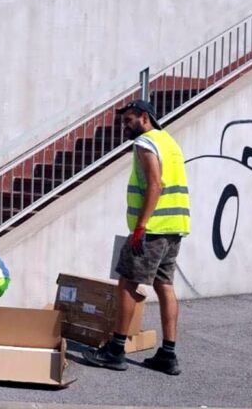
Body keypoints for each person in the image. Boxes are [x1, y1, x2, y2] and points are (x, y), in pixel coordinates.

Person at [82, 99, 190, 375]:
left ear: (145, 118)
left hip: (151, 230)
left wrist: (140, 227)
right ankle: (168, 354)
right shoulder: (169, 142)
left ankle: (115, 350)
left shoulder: (145, 144)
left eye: (129, 120)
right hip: (174, 226)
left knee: (127, 283)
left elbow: (155, 184)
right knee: (164, 285)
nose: (125, 126)